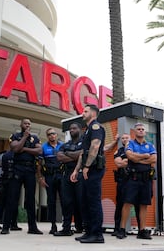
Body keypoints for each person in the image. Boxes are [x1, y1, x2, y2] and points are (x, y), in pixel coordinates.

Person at [1, 118, 43, 235]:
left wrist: (24, 148)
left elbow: (39, 151)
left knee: (30, 200)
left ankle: (32, 227)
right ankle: (6, 227)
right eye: (25, 123)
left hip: (30, 170)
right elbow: (15, 148)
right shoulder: (15, 136)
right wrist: (24, 137)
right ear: (21, 124)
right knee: (12, 198)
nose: (27, 125)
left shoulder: (35, 138)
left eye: (29, 123)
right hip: (17, 169)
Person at [70, 104, 106, 244]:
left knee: (93, 201)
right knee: (85, 201)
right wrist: (76, 169)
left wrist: (87, 166)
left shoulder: (96, 127)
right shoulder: (87, 130)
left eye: (85, 111)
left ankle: (97, 234)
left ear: (94, 113)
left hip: (94, 169)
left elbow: (95, 147)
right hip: (87, 168)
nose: (82, 113)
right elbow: (83, 152)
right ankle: (89, 232)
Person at [117, 123, 156, 240]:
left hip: (146, 179)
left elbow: (154, 159)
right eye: (138, 129)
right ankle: (122, 229)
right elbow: (129, 156)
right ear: (134, 131)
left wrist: (138, 159)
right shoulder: (130, 143)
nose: (140, 131)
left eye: (142, 129)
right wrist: (144, 156)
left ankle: (142, 231)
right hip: (132, 178)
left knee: (144, 204)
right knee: (127, 203)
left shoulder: (150, 145)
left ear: (145, 132)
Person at [107, 133, 141, 237]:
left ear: (130, 139)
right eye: (123, 138)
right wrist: (131, 160)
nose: (125, 139)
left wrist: (130, 160)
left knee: (138, 205)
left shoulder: (136, 148)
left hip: (135, 180)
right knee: (120, 205)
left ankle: (141, 229)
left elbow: (139, 160)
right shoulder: (119, 151)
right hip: (122, 181)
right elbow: (119, 163)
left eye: (127, 138)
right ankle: (118, 229)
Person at [54, 122, 84, 236]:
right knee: (67, 202)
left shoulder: (84, 143)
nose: (72, 130)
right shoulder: (65, 144)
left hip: (80, 174)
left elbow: (83, 153)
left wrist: (69, 154)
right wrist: (75, 156)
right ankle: (66, 228)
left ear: (80, 129)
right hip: (67, 175)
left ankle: (81, 227)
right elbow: (59, 157)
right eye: (70, 129)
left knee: (80, 202)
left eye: (74, 128)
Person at [37, 128, 64, 234]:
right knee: (51, 201)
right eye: (49, 134)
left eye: (53, 134)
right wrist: (40, 178)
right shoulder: (43, 147)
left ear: (56, 135)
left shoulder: (62, 146)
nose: (51, 136)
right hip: (49, 176)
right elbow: (39, 164)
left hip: (61, 175)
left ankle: (66, 225)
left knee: (64, 200)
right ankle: (53, 225)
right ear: (47, 136)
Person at [0, 150, 22, 231]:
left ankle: (0, 222)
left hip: (6, 180)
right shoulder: (8, 155)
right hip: (7, 180)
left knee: (6, 202)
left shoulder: (4, 155)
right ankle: (10, 223)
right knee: (9, 202)